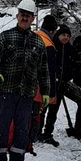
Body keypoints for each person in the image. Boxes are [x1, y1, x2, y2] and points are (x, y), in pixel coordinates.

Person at [0, 0, 50, 161]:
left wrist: (46, 92)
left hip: (26, 95)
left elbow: (44, 70)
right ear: (17, 16)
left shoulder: (38, 43)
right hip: (6, 92)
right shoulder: (6, 37)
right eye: (22, 15)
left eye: (28, 16)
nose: (25, 18)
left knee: (22, 131)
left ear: (33, 19)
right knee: (1, 128)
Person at [41, 24, 73, 146]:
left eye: (67, 36)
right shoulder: (52, 47)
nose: (65, 37)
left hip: (61, 85)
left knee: (53, 112)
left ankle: (48, 133)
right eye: (63, 35)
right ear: (58, 35)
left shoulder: (70, 50)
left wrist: (66, 78)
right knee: (42, 109)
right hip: (48, 83)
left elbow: (72, 67)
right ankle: (37, 132)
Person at [31, 14, 58, 151]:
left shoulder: (34, 35)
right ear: (53, 31)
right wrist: (51, 91)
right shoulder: (48, 45)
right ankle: (34, 135)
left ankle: (28, 132)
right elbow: (50, 71)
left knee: (29, 110)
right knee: (38, 111)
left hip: (28, 80)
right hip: (40, 84)